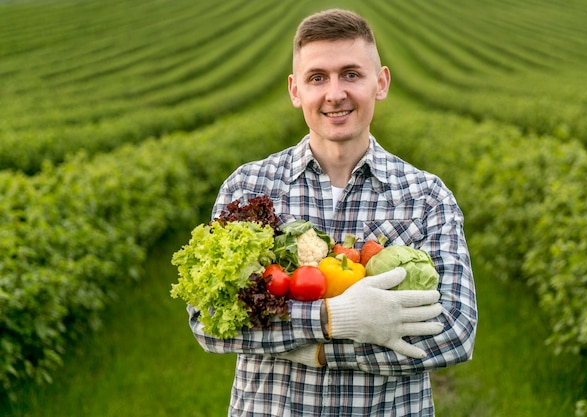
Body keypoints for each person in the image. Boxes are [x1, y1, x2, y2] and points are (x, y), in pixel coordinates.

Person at [185, 8, 477, 416]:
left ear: (381, 83)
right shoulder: (248, 188)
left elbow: (455, 333)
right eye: (317, 77)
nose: (334, 93)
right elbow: (210, 319)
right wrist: (329, 319)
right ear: (295, 90)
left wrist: (318, 352)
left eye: (351, 74)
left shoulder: (426, 197)